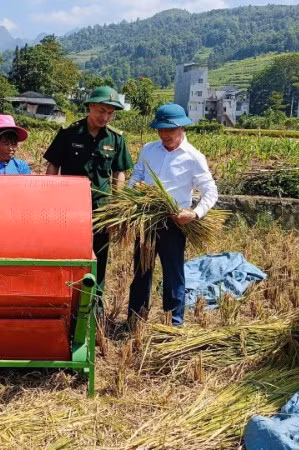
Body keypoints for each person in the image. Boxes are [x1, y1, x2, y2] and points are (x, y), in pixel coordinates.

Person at [127, 103, 218, 327]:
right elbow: (137, 175)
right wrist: (133, 191)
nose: (165, 135)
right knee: (141, 271)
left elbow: (210, 191)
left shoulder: (193, 157)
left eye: (170, 130)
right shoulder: (149, 150)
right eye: (161, 129)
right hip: (147, 221)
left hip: (174, 224)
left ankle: (174, 324)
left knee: (173, 274)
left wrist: (194, 214)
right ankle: (135, 320)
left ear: (182, 128)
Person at [44, 86, 133, 301]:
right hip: (69, 210)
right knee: (68, 253)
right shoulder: (69, 133)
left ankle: (95, 302)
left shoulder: (115, 138)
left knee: (99, 257)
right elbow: (53, 165)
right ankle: (67, 299)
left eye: (110, 113)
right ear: (90, 106)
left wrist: (116, 208)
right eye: (101, 111)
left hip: (101, 210)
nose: (105, 117)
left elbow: (119, 173)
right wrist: (49, 199)